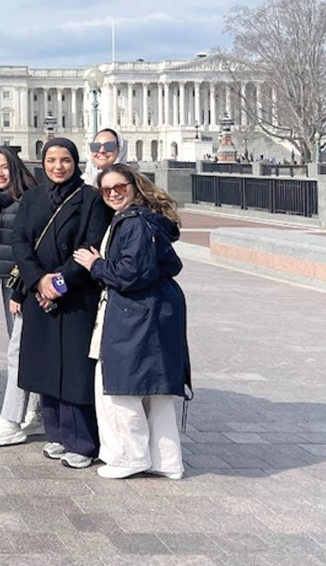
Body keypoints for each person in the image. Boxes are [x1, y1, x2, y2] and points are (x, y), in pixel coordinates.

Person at [73, 164, 190, 480]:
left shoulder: (133, 223)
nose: (113, 193)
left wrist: (96, 264)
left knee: (117, 386)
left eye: (119, 187)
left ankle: (128, 456)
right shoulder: (146, 220)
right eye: (106, 189)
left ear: (134, 187)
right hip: (155, 310)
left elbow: (131, 274)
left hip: (135, 312)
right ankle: (166, 460)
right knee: (156, 391)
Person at [13, 137, 112, 469]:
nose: (58, 166)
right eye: (52, 160)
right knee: (44, 367)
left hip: (74, 294)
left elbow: (91, 245)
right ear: (43, 163)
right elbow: (21, 242)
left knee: (74, 370)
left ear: (76, 163)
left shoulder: (90, 200)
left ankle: (82, 441)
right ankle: (56, 433)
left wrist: (59, 282)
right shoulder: (32, 198)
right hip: (39, 295)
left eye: (65, 160)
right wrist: (37, 281)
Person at [0, 147, 44, 447]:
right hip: (8, 284)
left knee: (17, 350)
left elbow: (31, 250)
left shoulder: (27, 201)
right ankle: (37, 410)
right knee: (23, 347)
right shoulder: (0, 202)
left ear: (15, 168)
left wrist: (19, 288)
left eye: (4, 167)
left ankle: (10, 420)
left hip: (23, 287)